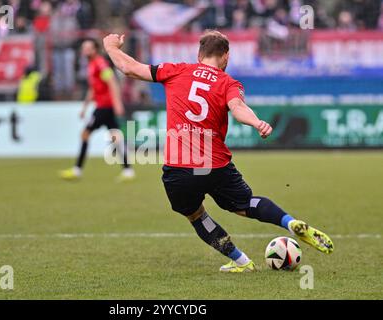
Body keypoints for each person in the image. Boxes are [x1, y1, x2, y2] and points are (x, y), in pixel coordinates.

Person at [102, 30, 334, 273]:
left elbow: (129, 68)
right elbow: (238, 108)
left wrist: (111, 47)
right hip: (214, 165)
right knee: (246, 204)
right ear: (225, 56)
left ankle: (241, 261)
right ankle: (290, 222)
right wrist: (257, 123)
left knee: (196, 216)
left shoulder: (176, 70)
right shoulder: (228, 83)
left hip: (179, 168)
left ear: (199, 54)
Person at [60, 38, 134, 181]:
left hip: (104, 107)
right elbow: (93, 89)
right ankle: (128, 171)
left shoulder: (100, 64)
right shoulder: (91, 65)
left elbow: (112, 82)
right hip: (104, 107)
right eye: (84, 47)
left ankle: (77, 170)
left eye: (88, 47)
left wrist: (118, 103)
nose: (85, 50)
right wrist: (85, 107)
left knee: (85, 134)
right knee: (116, 138)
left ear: (95, 49)